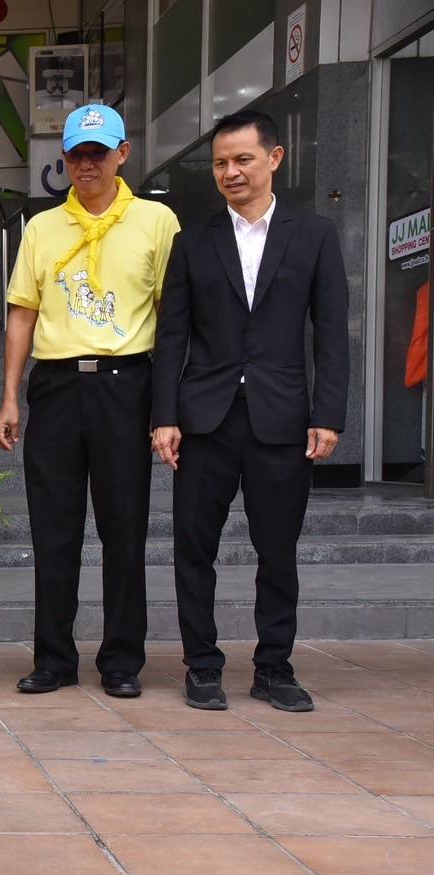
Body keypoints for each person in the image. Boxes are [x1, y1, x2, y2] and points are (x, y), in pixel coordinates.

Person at [151, 109, 349, 713]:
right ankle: (202, 666)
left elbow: (331, 333)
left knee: (278, 551)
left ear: (274, 158)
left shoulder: (313, 235)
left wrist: (329, 414)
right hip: (204, 420)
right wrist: (164, 416)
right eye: (220, 163)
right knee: (194, 549)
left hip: (282, 418)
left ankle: (274, 668)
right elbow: (172, 336)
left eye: (242, 159)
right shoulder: (192, 242)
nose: (231, 172)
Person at [0, 104, 180, 699]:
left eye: (99, 153)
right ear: (65, 159)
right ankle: (54, 658)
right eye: (76, 155)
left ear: (123, 153)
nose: (87, 165)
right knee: (53, 529)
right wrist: (10, 396)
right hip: (56, 385)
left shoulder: (157, 221)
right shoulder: (42, 227)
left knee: (124, 528)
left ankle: (121, 659)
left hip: (127, 384)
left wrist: (167, 408)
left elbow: (173, 319)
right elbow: (22, 314)